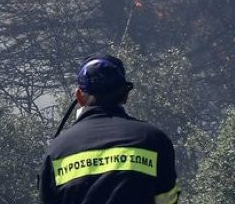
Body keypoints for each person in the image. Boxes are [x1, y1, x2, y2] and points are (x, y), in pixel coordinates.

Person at [40, 55, 179, 204]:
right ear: (125, 95)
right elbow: (168, 200)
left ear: (79, 96)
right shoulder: (153, 140)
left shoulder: (57, 150)